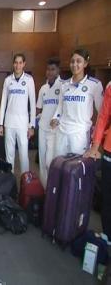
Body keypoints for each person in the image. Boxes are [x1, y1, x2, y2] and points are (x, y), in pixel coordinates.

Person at [51, 49, 103, 156]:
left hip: (80, 134)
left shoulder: (95, 84)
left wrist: (96, 134)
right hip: (62, 132)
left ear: (85, 63)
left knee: (76, 168)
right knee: (59, 166)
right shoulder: (64, 85)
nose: (75, 64)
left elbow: (102, 112)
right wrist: (55, 118)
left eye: (78, 61)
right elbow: (60, 106)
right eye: (72, 61)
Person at [0, 53, 36, 174]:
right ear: (13, 64)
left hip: (23, 124)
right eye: (16, 62)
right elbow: (3, 102)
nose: (18, 65)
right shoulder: (8, 80)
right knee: (9, 155)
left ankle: (26, 184)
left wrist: (32, 125)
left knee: (24, 155)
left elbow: (33, 104)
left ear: (24, 64)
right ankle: (10, 184)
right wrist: (0, 124)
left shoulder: (29, 80)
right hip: (9, 123)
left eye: (20, 62)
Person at [85, 81, 111, 241]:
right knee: (107, 195)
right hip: (109, 148)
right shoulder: (110, 87)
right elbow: (103, 117)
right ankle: (108, 235)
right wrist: (94, 147)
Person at [36, 57, 63, 187]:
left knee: (50, 162)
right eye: (48, 69)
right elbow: (39, 108)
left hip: (54, 131)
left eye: (53, 69)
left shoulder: (63, 86)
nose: (50, 72)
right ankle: (44, 188)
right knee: (42, 160)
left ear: (58, 70)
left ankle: (52, 189)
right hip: (42, 128)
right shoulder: (43, 88)